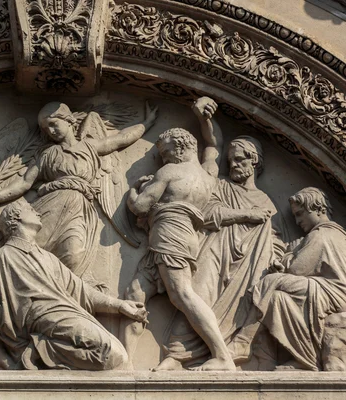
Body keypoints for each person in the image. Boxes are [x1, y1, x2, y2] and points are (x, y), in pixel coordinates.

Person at [0, 199, 147, 370]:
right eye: (29, 209)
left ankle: (39, 350)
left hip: (65, 313)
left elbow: (82, 292)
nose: (36, 211)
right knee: (110, 354)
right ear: (15, 218)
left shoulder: (47, 258)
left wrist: (120, 305)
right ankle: (37, 351)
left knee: (117, 355)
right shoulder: (1, 257)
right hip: (41, 316)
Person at [0, 101, 157, 276]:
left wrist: (146, 124)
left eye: (53, 124)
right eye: (45, 128)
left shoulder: (90, 146)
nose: (50, 130)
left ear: (68, 120)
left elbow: (120, 139)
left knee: (73, 254)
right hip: (51, 206)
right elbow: (25, 182)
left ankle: (62, 294)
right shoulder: (48, 154)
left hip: (79, 208)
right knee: (33, 250)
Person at [155, 136, 286, 370]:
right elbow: (205, 213)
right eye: (230, 160)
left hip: (250, 264)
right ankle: (178, 354)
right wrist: (245, 215)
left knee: (243, 306)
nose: (233, 165)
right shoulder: (220, 186)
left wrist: (276, 258)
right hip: (215, 249)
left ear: (253, 160)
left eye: (238, 160)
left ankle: (226, 354)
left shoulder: (265, 200)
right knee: (196, 293)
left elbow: (274, 237)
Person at [124, 97, 236, 371]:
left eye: (164, 151)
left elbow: (140, 205)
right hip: (177, 239)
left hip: (168, 236)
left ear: (180, 148)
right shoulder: (208, 173)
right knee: (135, 293)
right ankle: (123, 364)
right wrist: (204, 119)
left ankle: (222, 356)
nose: (162, 157)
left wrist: (133, 191)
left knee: (182, 295)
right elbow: (214, 145)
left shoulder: (170, 171)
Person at [228, 187, 346, 371]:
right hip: (325, 291)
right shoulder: (339, 234)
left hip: (332, 292)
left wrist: (289, 254)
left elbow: (297, 269)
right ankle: (306, 359)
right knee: (276, 300)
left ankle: (242, 342)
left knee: (269, 281)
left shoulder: (321, 234)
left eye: (300, 214)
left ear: (317, 208)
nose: (297, 222)